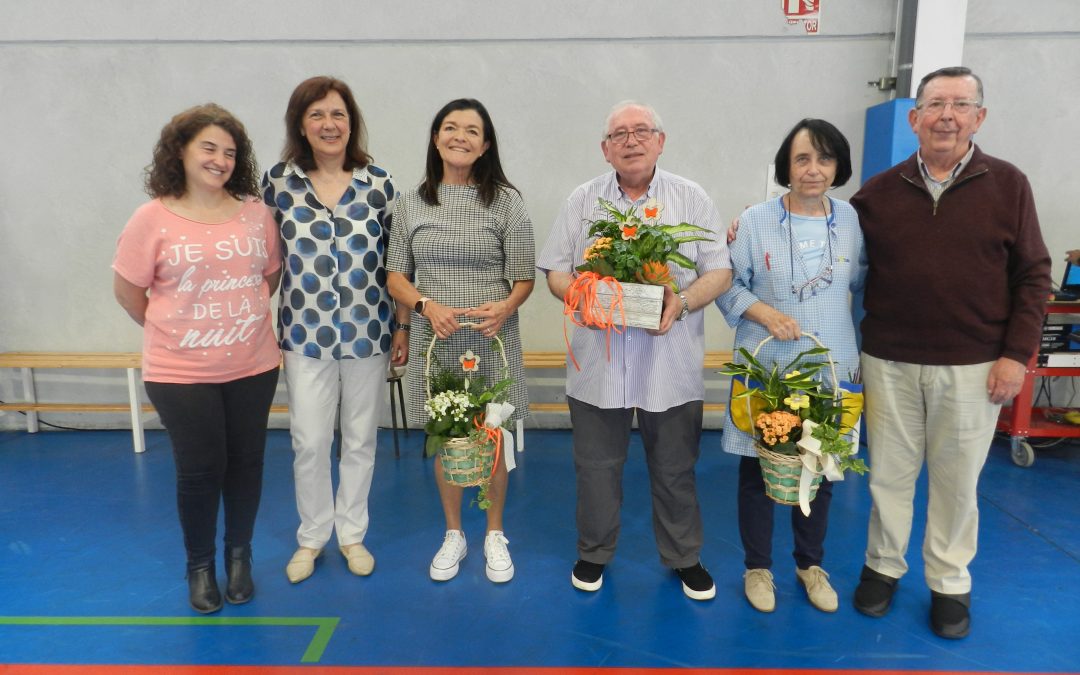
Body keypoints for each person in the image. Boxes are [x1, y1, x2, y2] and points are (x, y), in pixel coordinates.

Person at [850, 66, 1051, 639]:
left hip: (976, 365)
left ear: (979, 117)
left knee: (958, 482)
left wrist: (1017, 355)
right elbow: (835, 251)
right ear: (913, 118)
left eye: (960, 104)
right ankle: (883, 568)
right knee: (888, 475)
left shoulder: (1009, 184)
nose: (946, 116)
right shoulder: (878, 193)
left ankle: (949, 582)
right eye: (935, 104)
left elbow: (1035, 276)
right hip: (888, 360)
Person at [537, 101, 731, 600]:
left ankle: (684, 555)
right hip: (599, 364)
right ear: (605, 149)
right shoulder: (582, 201)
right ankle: (594, 551)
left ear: (660, 141)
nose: (631, 140)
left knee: (675, 468)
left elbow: (719, 271)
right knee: (596, 469)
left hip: (671, 363)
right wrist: (582, 295)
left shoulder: (691, 198)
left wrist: (682, 302)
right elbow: (557, 270)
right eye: (619, 134)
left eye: (642, 130)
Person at [113, 104, 282, 613]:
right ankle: (200, 567)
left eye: (230, 152)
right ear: (180, 151)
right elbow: (128, 291)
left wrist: (234, 322)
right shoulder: (152, 217)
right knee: (201, 470)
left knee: (247, 464)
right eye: (208, 147)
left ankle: (239, 558)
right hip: (180, 373)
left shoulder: (256, 212)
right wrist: (178, 332)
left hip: (254, 365)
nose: (220, 159)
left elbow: (268, 277)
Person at [262, 76, 409, 584]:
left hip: (369, 332)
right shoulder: (278, 183)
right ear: (301, 124)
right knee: (309, 440)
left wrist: (402, 325)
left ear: (352, 122)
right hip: (304, 336)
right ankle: (312, 536)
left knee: (361, 438)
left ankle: (351, 533)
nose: (329, 124)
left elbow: (396, 262)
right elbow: (268, 263)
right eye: (317, 115)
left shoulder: (380, 184)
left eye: (338, 114)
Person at [716, 119, 865, 613]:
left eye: (824, 159)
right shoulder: (755, 221)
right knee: (759, 471)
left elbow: (864, 284)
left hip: (829, 364)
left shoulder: (850, 220)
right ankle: (758, 568)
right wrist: (764, 313)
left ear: (838, 165)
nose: (813, 169)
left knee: (818, 468)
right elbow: (726, 285)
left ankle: (809, 565)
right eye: (802, 159)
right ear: (786, 165)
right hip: (768, 365)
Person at [387, 98, 535, 584]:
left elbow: (523, 278)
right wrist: (420, 314)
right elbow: (396, 277)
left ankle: (494, 532)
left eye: (472, 130)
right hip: (436, 340)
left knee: (491, 435)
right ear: (435, 138)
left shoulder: (507, 203)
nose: (460, 137)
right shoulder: (410, 204)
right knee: (447, 437)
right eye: (450, 128)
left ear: (486, 144)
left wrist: (506, 308)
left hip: (491, 339)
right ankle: (454, 533)